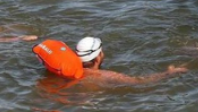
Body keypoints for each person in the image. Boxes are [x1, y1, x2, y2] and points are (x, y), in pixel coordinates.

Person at [33, 36, 187, 84]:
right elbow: (139, 82)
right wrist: (169, 73)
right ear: (99, 56)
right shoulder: (104, 76)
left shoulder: (61, 71)